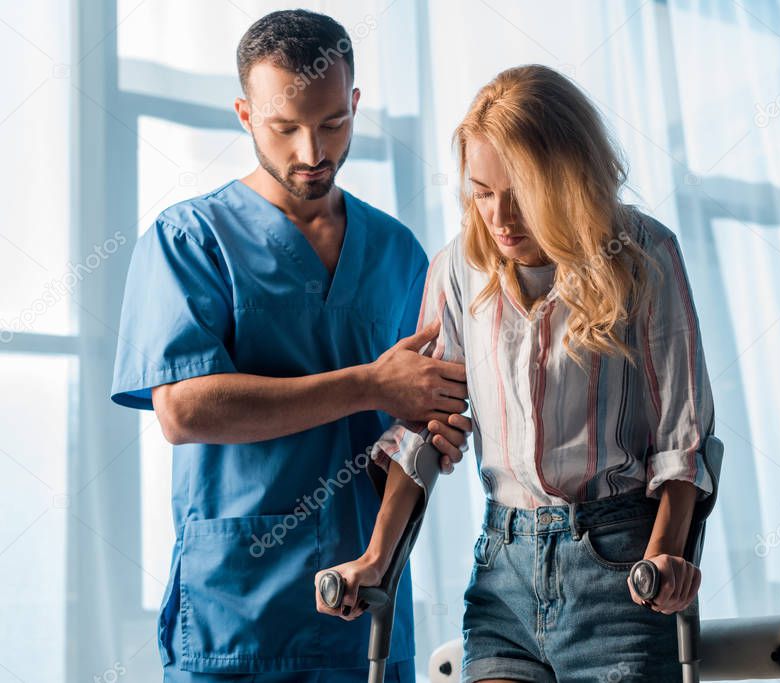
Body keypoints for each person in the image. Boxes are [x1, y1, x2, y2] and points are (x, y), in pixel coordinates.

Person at [316, 64, 717, 683]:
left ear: (569, 178)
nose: (499, 218)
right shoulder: (457, 270)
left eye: (521, 192)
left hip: (619, 570)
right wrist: (373, 559)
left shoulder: (644, 254)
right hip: (503, 566)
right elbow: (424, 431)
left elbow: (682, 440)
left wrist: (665, 554)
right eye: (482, 191)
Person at [110, 10, 470, 682]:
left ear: (355, 103)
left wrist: (434, 427)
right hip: (238, 616)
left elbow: (424, 425)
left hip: (367, 611)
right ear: (245, 115)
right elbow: (184, 411)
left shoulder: (396, 252)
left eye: (334, 123)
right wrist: (371, 384)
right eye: (285, 128)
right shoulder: (189, 240)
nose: (313, 151)